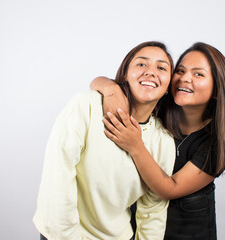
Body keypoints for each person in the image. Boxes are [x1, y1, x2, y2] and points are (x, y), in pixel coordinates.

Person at [90, 42, 225, 239]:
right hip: (141, 226)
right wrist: (110, 89)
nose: (185, 78)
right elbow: (98, 81)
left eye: (198, 74)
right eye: (180, 71)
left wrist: (135, 145)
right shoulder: (159, 105)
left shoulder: (218, 142)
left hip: (187, 233)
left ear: (217, 89)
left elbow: (170, 188)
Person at [33, 41, 177, 240]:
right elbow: (57, 179)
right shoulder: (86, 106)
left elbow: (153, 213)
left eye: (161, 68)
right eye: (141, 64)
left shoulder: (163, 142)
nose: (151, 72)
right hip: (63, 235)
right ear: (125, 74)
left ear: (169, 86)